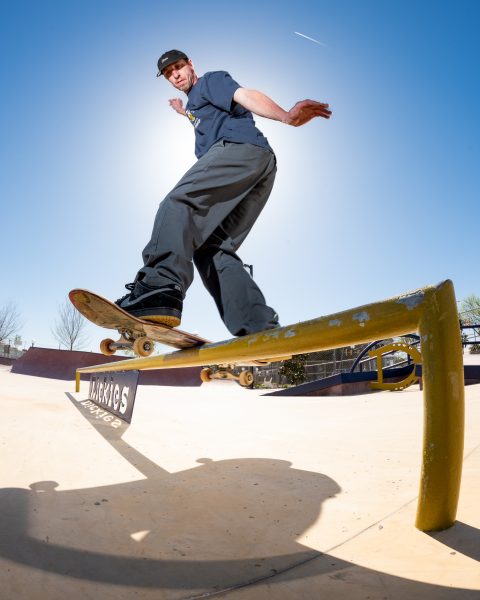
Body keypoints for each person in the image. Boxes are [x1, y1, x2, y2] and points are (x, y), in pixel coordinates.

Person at [116, 49, 332, 337]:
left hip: (237, 151)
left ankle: (158, 287)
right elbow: (200, 115)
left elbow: (245, 95)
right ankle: (256, 326)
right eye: (169, 74)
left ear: (191, 64)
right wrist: (184, 111)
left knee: (179, 204)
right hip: (258, 168)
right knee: (211, 249)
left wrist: (286, 117)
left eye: (179, 67)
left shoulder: (210, 81)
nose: (175, 75)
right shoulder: (194, 105)